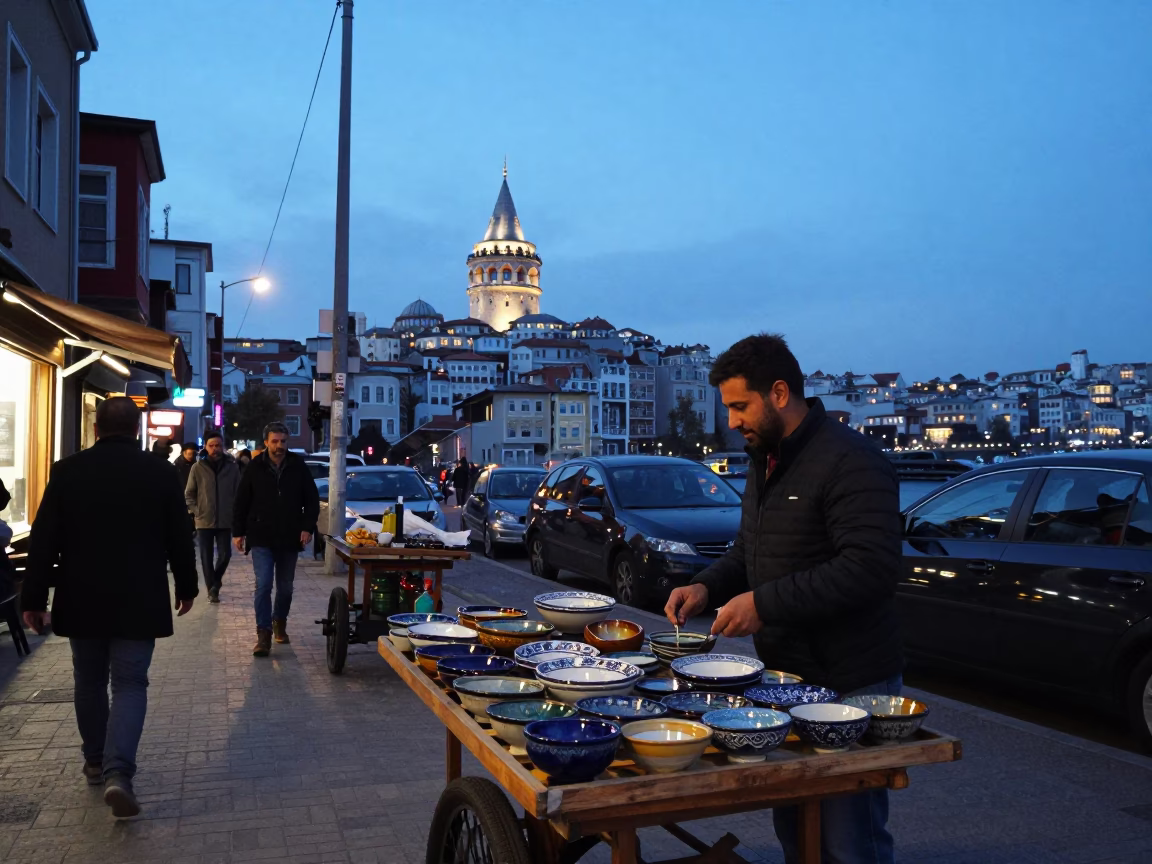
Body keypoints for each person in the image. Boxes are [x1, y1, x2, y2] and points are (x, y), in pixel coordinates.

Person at [664, 333, 903, 864]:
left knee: (849, 843)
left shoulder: (851, 460)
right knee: (797, 834)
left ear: (778, 393)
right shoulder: (763, 457)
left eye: (738, 406)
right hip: (786, 684)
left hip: (851, 683)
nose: (731, 421)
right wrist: (706, 585)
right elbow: (750, 548)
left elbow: (869, 569)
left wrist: (764, 604)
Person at [21, 397, 197, 818]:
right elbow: (179, 533)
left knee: (89, 680)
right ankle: (120, 774)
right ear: (137, 429)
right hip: (140, 595)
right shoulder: (159, 472)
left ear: (96, 429)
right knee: (131, 683)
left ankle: (96, 760)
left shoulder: (67, 472)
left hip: (82, 595)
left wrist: (33, 599)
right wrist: (188, 586)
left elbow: (44, 539)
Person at [232, 422, 319, 656]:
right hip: (260, 535)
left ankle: (280, 621)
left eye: (283, 441)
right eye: (275, 441)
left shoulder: (297, 466)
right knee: (263, 585)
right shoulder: (255, 467)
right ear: (266, 442)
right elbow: (242, 500)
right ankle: (264, 633)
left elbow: (311, 500)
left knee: (286, 588)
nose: (279, 446)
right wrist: (238, 532)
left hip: (290, 536)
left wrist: (307, 527)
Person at [186, 431, 241, 604]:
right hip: (204, 521)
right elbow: (189, 494)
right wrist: (196, 511)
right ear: (206, 447)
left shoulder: (232, 467)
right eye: (211, 445)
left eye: (218, 445)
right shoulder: (198, 468)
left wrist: (235, 513)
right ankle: (212, 590)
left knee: (225, 555)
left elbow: (239, 493)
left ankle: (215, 583)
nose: (215, 449)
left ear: (222, 446)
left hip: (225, 520)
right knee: (206, 557)